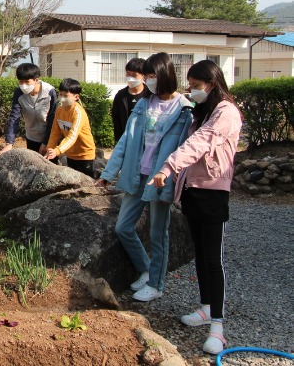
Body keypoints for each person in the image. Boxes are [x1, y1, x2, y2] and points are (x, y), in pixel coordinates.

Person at [148, 60, 242, 355]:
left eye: (196, 85)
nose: (191, 90)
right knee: (200, 255)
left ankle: (218, 326)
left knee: (214, 260)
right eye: (189, 85)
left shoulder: (226, 112)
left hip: (213, 194)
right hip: (192, 191)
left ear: (212, 84)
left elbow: (202, 142)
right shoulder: (202, 111)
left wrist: (168, 166)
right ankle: (205, 308)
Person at [96, 52, 193, 302]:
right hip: (136, 174)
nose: (148, 81)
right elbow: (125, 141)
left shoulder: (184, 109)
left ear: (166, 75)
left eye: (152, 76)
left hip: (161, 178)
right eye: (147, 76)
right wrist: (108, 174)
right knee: (123, 227)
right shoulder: (143, 105)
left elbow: (185, 149)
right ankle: (146, 268)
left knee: (158, 232)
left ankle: (156, 283)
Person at [1, 63, 57, 155]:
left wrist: (46, 142)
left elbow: (53, 118)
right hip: (31, 137)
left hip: (49, 138)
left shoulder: (49, 92)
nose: (23, 85)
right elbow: (14, 117)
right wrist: (9, 143)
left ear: (36, 80)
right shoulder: (18, 93)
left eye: (27, 82)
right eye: (21, 82)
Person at [44, 78, 96, 178]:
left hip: (85, 156)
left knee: (87, 185)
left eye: (66, 95)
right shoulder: (59, 110)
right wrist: (49, 149)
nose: (62, 98)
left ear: (76, 97)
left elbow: (72, 136)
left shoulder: (78, 113)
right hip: (71, 155)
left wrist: (58, 150)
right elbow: (55, 132)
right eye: (61, 94)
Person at [111, 57, 150, 143]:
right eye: (128, 74)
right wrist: (118, 141)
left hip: (145, 140)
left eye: (134, 75)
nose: (130, 78)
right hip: (126, 139)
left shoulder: (150, 95)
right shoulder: (120, 95)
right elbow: (116, 119)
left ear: (143, 76)